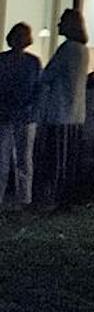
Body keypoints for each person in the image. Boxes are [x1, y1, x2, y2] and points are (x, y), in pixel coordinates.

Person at [33, 8, 89, 208]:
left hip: (59, 112)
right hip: (75, 113)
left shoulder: (67, 49)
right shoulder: (82, 49)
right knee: (69, 158)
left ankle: (54, 199)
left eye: (62, 22)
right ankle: (67, 198)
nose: (58, 25)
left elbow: (47, 76)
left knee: (55, 159)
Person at [0, 22, 41, 209]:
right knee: (22, 158)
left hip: (13, 114)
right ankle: (24, 198)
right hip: (21, 114)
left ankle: (19, 198)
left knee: (10, 157)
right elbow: (38, 88)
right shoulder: (33, 62)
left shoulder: (4, 61)